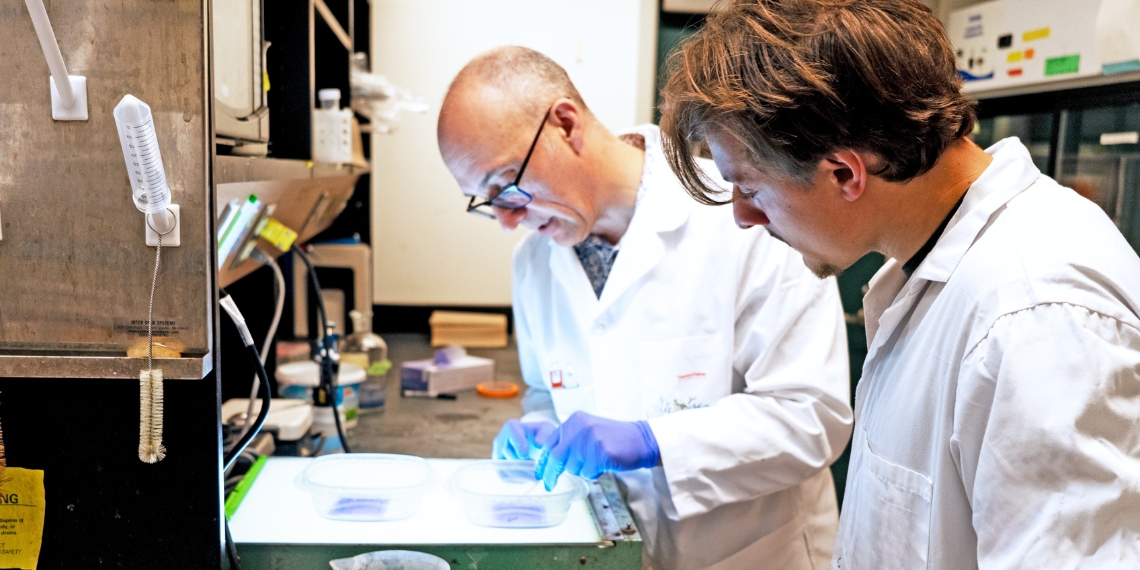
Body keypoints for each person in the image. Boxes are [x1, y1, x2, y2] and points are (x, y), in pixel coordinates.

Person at [660, 1, 1140, 568]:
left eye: (749, 187)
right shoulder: (934, 267)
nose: (743, 217)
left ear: (845, 173)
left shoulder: (1037, 317)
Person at [436, 46, 853, 570]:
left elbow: (811, 415)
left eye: (507, 187)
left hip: (749, 554)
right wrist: (543, 428)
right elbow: (547, 390)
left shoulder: (746, 209)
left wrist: (652, 441)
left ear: (565, 125)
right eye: (486, 201)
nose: (507, 220)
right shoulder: (533, 263)